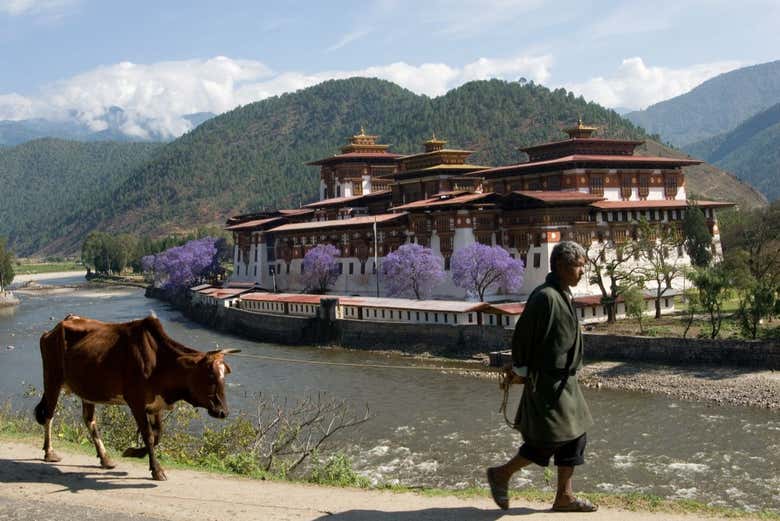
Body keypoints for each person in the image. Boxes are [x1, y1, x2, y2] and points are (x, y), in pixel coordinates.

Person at [486, 240, 597, 512]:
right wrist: (521, 371)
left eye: (583, 266)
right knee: (547, 440)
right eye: (578, 266)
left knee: (576, 437)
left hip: (565, 382)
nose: (582, 272)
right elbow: (523, 338)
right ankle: (501, 474)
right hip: (547, 382)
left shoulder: (562, 293)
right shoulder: (545, 296)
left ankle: (564, 497)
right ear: (560, 266)